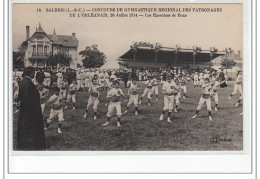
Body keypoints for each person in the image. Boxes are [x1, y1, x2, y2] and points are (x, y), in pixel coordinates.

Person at [16, 67, 46, 150]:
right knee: (30, 127)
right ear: (31, 73)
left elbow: (21, 96)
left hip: (26, 109)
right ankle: (31, 144)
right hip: (31, 109)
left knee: (25, 126)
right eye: (33, 73)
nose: (34, 74)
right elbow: (28, 97)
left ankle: (27, 143)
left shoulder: (24, 82)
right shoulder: (27, 83)